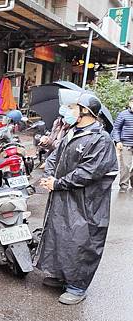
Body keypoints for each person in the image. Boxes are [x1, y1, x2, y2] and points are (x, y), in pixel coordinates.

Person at [38, 93, 118, 305]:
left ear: (86, 111)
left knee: (81, 241)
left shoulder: (101, 140)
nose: (68, 111)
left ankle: (77, 286)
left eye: (73, 107)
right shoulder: (72, 132)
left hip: (86, 202)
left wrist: (58, 183)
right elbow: (56, 156)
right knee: (60, 236)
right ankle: (62, 275)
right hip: (64, 197)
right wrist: (50, 175)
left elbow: (89, 172)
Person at [112, 96, 133, 193]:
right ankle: (123, 187)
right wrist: (118, 141)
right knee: (125, 166)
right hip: (126, 144)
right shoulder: (123, 114)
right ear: (129, 103)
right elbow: (116, 128)